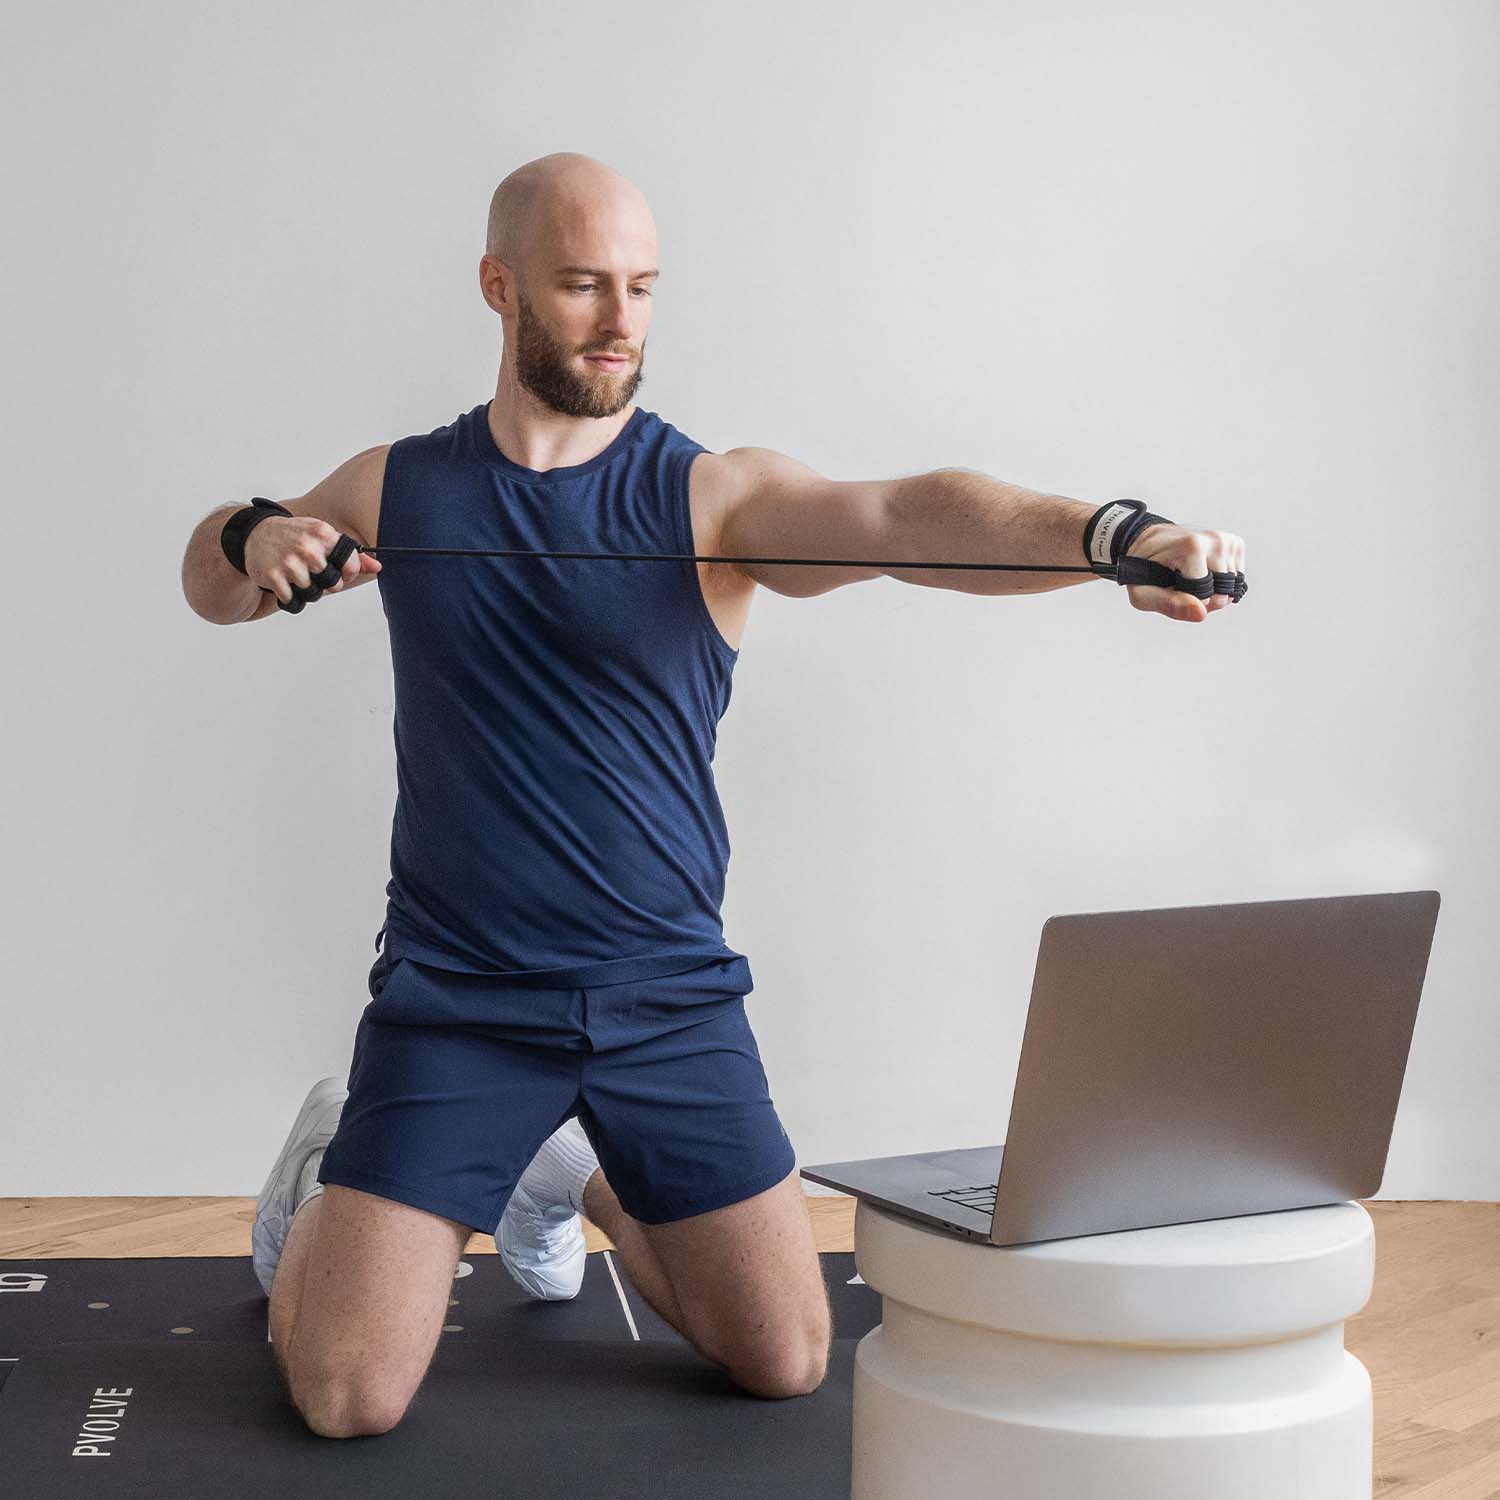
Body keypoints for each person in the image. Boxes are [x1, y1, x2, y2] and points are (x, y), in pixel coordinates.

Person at [179, 151, 1246, 1441]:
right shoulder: (401, 486)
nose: (621, 321)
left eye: (641, 287)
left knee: (786, 1357)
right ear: (498, 286)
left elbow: (908, 517)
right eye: (581, 287)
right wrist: (252, 536)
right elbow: (214, 580)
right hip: (456, 1000)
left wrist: (1112, 538)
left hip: (666, 1002)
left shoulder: (713, 497)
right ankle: (327, 1166)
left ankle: (568, 1174)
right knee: (348, 1397)